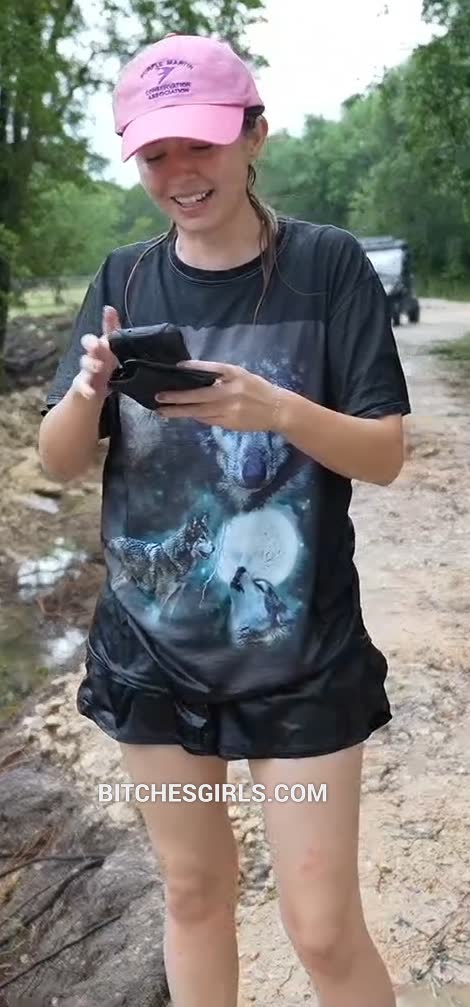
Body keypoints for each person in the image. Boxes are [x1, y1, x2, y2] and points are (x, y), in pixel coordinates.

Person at [38, 32, 411, 1007]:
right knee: (195, 891)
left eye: (198, 144)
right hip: (150, 657)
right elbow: (60, 460)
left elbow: (382, 454)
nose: (180, 174)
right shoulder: (124, 278)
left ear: (253, 135)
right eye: (155, 154)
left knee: (321, 925)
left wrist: (276, 410)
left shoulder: (326, 267)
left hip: (301, 657)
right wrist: (85, 390)